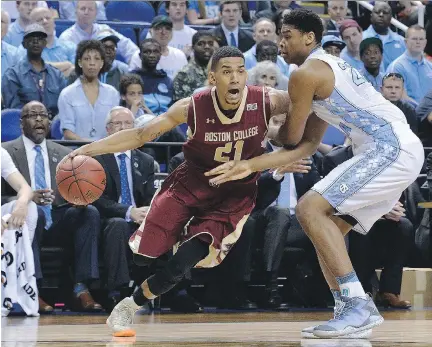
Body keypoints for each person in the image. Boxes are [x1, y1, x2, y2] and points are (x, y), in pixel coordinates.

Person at [206, 9, 423, 338]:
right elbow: (307, 144)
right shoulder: (323, 73)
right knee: (329, 228)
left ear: (309, 38)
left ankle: (359, 305)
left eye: (287, 35)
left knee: (309, 207)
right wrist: (251, 164)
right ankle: (347, 313)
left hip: (389, 147)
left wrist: (258, 120)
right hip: (395, 150)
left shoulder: (306, 73)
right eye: (279, 35)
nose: (280, 42)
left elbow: (289, 136)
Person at [64, 46, 292, 336]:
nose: (235, 77)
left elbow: (309, 103)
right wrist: (89, 149)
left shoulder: (267, 100)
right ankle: (173, 237)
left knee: (179, 266)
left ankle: (128, 307)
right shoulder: (191, 106)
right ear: (212, 78)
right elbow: (140, 135)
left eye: (240, 70)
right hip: (189, 185)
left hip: (231, 197)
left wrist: (287, 144)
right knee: (142, 257)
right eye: (226, 72)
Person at [58, 40, 120, 141]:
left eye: (96, 59)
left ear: (102, 63)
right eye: (87, 59)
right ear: (80, 62)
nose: (92, 63)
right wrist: (91, 147)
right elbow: (68, 133)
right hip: (75, 152)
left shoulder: (112, 93)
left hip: (105, 152)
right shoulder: (67, 94)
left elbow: (115, 129)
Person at [1, 24, 66, 116]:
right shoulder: (12, 75)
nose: (35, 42)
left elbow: (64, 107)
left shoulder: (57, 75)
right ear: (24, 44)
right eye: (31, 39)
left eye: (39, 38)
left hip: (54, 124)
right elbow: (14, 111)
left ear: (45, 43)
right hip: (25, 126)